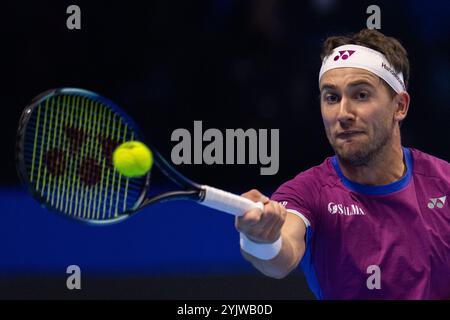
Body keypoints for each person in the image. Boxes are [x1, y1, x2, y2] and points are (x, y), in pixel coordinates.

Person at [236, 29, 450, 299]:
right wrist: (260, 238)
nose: (343, 114)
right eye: (332, 98)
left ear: (400, 106)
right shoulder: (307, 192)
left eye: (361, 95)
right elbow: (280, 258)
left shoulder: (444, 183)